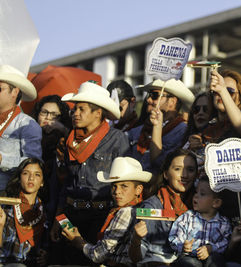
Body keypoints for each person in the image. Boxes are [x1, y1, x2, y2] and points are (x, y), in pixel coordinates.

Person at [50, 81, 129, 265]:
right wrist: (58, 218)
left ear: (98, 113)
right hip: (71, 214)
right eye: (75, 109)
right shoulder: (70, 140)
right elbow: (66, 185)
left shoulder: (117, 140)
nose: (75, 113)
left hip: (100, 217)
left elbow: (127, 182)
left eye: (81, 109)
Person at [208, 69, 241, 266]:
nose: (221, 95)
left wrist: (221, 89)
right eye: (217, 91)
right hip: (216, 207)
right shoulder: (210, 128)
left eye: (230, 91)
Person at [61, 157, 151, 266]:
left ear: (138, 189)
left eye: (124, 186)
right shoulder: (141, 208)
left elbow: (98, 255)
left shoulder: (125, 212)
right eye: (114, 186)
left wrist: (78, 241)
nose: (117, 192)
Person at [129, 148, 198, 266]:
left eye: (190, 170)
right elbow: (136, 258)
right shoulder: (152, 206)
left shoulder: (200, 205)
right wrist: (136, 239)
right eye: (177, 169)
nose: (185, 175)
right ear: (166, 174)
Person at [128, 79, 194, 174]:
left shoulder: (183, 132)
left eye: (154, 95)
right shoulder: (135, 131)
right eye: (149, 95)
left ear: (172, 101)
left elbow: (161, 163)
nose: (148, 100)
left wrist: (157, 127)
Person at [169, 175, 231, 267]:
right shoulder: (188, 217)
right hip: (189, 256)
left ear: (216, 202)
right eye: (196, 192)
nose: (196, 196)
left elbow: (226, 242)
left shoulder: (223, 223)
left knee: (216, 260)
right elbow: (174, 235)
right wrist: (182, 245)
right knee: (190, 264)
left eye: (202, 194)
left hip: (211, 256)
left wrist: (212, 248)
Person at [31, 95, 71, 227]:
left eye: (54, 115)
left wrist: (63, 130)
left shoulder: (65, 140)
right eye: (44, 112)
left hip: (57, 202)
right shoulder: (29, 137)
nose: (48, 118)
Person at [0, 65, 42, 191]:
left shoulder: (27, 124)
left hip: (7, 196)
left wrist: (3, 160)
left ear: (15, 92)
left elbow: (33, 164)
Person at [0, 158, 47, 266]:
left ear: (42, 182)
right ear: (19, 178)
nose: (31, 178)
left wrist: (45, 256)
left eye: (37, 175)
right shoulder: (5, 203)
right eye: (26, 173)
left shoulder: (45, 211)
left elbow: (45, 248)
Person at [182, 92, 216, 172]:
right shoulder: (186, 142)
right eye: (196, 110)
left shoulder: (221, 141)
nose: (200, 113)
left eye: (206, 109)